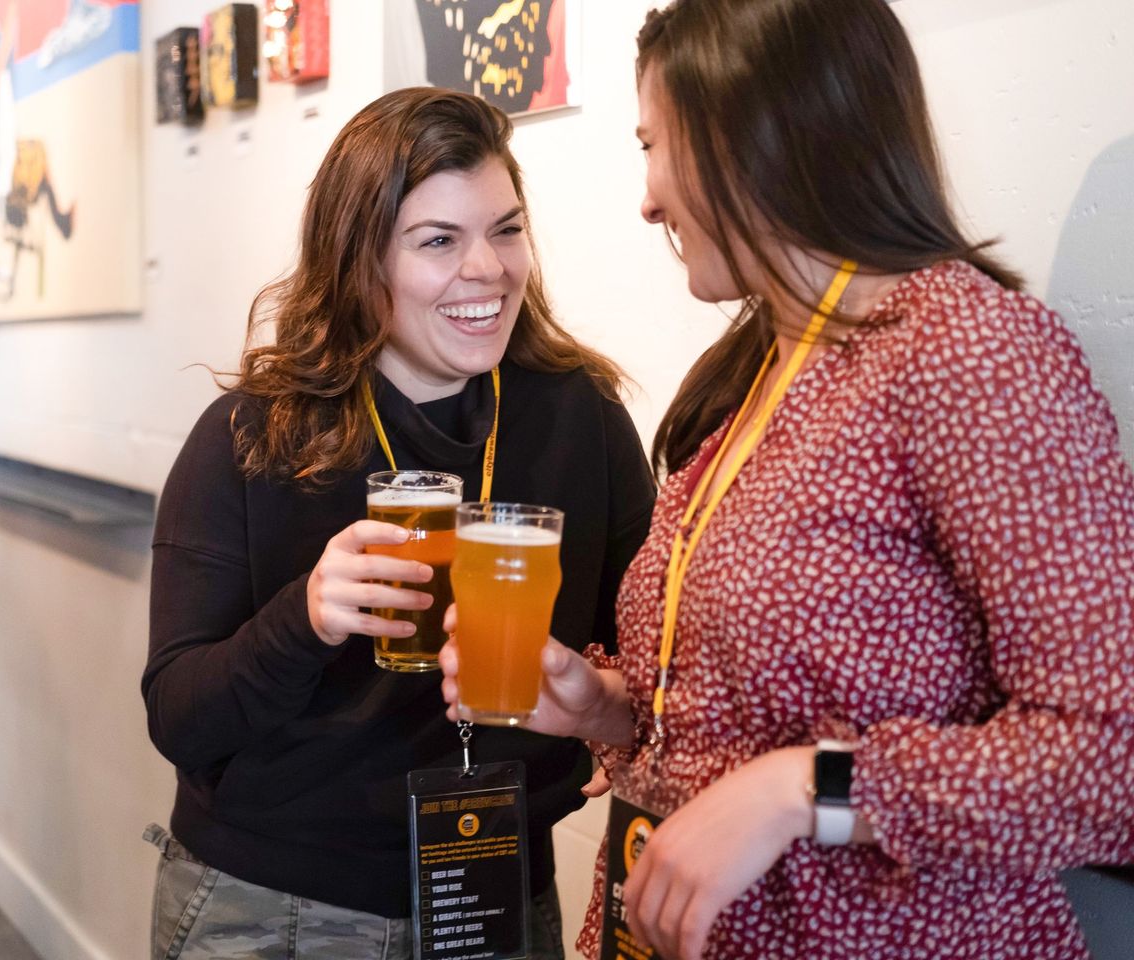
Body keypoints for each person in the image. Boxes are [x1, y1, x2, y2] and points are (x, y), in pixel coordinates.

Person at [438, 2, 1134, 958]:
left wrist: (806, 788)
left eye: (654, 146)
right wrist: (601, 702)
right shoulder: (759, 370)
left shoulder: (968, 353)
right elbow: (740, 715)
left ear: (753, 136)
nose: (647, 200)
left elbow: (1108, 763)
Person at [142, 87, 655, 959]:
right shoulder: (253, 435)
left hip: (494, 894)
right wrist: (301, 620)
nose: (487, 271)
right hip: (277, 908)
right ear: (358, 260)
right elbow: (179, 718)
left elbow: (651, 662)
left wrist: (599, 702)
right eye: (438, 241)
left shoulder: (581, 418)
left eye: (505, 229)